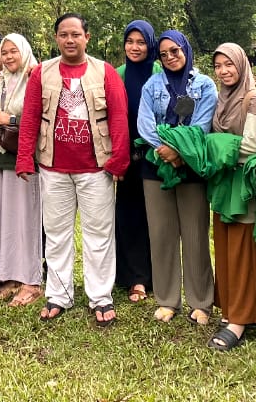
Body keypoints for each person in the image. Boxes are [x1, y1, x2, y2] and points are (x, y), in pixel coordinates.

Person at [15, 13, 129, 326]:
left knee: (99, 233)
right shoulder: (42, 73)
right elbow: (30, 117)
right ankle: (59, 294)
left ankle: (100, 297)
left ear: (86, 37)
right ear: (56, 38)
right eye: (64, 34)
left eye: (75, 34)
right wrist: (24, 157)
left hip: (96, 168)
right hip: (53, 167)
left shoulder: (104, 72)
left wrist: (119, 160)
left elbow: (119, 118)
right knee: (56, 233)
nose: (69, 40)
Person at [136, 29, 216, 325]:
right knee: (162, 235)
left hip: (191, 168)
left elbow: (202, 125)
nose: (170, 57)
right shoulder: (152, 85)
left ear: (185, 49)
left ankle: (201, 301)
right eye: (164, 54)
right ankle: (167, 300)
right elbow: (144, 124)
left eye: (175, 51)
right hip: (156, 168)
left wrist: (180, 151)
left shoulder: (204, 85)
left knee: (195, 236)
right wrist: (165, 150)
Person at [204, 42, 256, 352]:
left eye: (229, 64)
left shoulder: (253, 100)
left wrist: (212, 146)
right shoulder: (222, 99)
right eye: (218, 66)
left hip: (244, 186)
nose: (223, 71)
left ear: (242, 65)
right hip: (223, 185)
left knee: (245, 252)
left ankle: (240, 320)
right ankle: (237, 309)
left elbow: (251, 147)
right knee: (227, 247)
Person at [0, 32, 43, 307]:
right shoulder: (0, 80)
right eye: (4, 52)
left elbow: (41, 117)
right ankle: (9, 277)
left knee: (24, 220)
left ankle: (30, 280)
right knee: (2, 220)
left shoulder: (34, 79)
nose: (8, 57)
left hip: (23, 159)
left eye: (13, 51)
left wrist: (13, 119)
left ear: (24, 51)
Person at [114, 19, 156, 303]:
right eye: (130, 41)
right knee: (129, 216)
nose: (135, 47)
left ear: (150, 45)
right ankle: (132, 278)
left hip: (156, 156)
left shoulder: (160, 72)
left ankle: (154, 276)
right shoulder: (117, 75)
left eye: (141, 42)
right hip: (127, 157)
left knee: (154, 217)